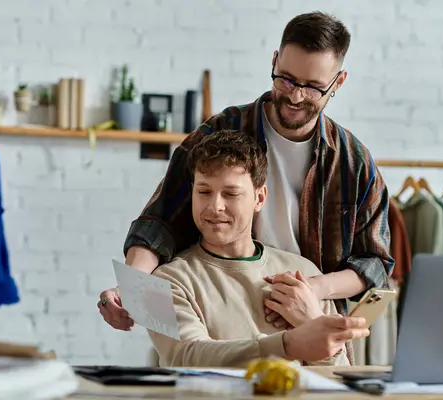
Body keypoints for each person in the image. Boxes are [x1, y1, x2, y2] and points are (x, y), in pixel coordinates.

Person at [99, 11, 393, 340]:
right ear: (274, 61)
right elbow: (159, 221)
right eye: (286, 79)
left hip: (308, 317)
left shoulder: (354, 162)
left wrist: (314, 288)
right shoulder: (220, 131)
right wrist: (130, 286)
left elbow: (376, 264)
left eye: (313, 88)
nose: (295, 96)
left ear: (338, 82)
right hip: (215, 310)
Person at [148, 130, 369, 367]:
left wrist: (313, 325)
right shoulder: (165, 281)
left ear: (259, 198)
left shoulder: (303, 273)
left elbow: (336, 380)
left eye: (231, 193)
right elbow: (185, 356)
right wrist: (288, 345)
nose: (215, 206)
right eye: (203, 192)